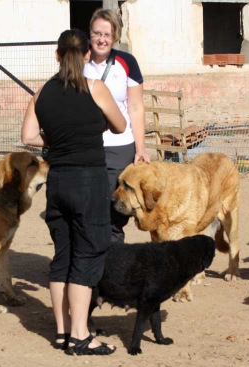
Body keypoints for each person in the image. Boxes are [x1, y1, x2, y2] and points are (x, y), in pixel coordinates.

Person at [21, 29, 126, 356]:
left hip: (58, 181)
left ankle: (63, 333)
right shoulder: (96, 88)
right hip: (89, 181)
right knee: (88, 253)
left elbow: (28, 136)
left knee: (62, 256)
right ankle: (80, 335)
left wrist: (56, 141)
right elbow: (121, 126)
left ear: (57, 55)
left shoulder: (42, 94)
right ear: (85, 56)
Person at [84, 8, 150, 244]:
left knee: (114, 211)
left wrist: (140, 148)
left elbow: (136, 107)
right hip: (86, 147)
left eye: (107, 35)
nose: (101, 39)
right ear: (89, 34)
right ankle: (87, 267)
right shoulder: (78, 61)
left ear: (115, 38)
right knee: (87, 207)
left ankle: (111, 268)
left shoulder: (127, 62)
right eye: (96, 33)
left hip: (119, 147)